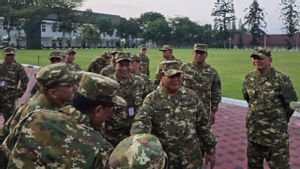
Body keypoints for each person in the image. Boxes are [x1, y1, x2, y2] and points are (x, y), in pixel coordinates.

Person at [2, 72, 127, 169]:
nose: (110, 113)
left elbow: (3, 155)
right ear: (98, 110)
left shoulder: (35, 117)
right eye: (111, 108)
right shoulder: (101, 149)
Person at [131, 60, 217, 169]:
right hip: (167, 161)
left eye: (178, 75)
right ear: (161, 76)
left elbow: (203, 125)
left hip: (192, 159)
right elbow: (141, 124)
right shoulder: (152, 99)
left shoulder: (191, 96)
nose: (176, 79)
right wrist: (141, 146)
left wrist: (210, 150)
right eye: (171, 76)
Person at [242, 47, 297, 169]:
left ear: (270, 60)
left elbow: (291, 104)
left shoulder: (281, 79)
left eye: (261, 58)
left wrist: (279, 120)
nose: (257, 60)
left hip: (275, 138)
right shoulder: (248, 78)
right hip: (254, 135)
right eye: (255, 58)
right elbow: (248, 98)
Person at [0, 62, 78, 145]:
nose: (75, 88)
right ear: (53, 93)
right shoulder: (39, 117)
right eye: (70, 86)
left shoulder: (47, 100)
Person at [104, 52, 145, 147]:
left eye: (127, 65)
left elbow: (144, 104)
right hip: (113, 134)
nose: (124, 68)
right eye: (121, 65)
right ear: (114, 65)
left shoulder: (139, 82)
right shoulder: (107, 83)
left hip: (134, 132)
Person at [181, 44, 221, 124]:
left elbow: (216, 92)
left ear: (206, 55)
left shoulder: (212, 71)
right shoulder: (183, 68)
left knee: (203, 133)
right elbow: (175, 88)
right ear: (193, 53)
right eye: (197, 53)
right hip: (185, 108)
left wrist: (213, 112)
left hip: (204, 109)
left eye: (202, 53)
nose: (199, 55)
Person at [0, 47, 29, 122]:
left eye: (11, 55)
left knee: (9, 120)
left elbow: (25, 80)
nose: (9, 57)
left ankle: (6, 133)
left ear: (14, 56)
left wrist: (19, 93)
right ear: (4, 55)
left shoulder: (18, 67)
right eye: (8, 55)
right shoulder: (0, 66)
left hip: (9, 97)